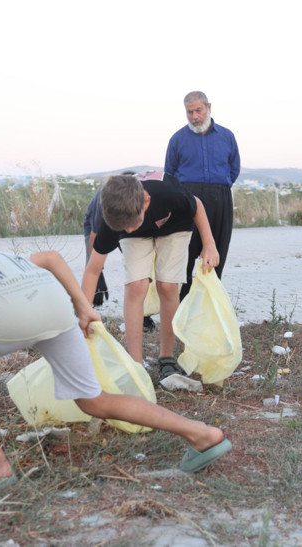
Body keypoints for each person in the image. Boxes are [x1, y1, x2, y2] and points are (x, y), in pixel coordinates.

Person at [0, 247, 232, 483]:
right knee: (94, 400)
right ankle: (201, 434)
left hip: (13, 308)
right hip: (53, 299)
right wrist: (84, 307)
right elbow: (52, 258)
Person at [81, 174, 219, 388]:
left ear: (146, 201)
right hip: (136, 222)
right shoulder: (116, 218)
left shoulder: (168, 195)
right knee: (136, 286)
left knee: (168, 286)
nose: (127, 230)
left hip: (175, 225)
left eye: (129, 225)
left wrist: (209, 243)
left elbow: (197, 204)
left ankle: (166, 358)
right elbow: (92, 269)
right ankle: (135, 362)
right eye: (122, 228)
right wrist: (83, 312)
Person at [165, 90, 240, 301]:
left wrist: (218, 190)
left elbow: (233, 169)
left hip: (220, 199)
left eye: (198, 110)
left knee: (217, 252)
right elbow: (169, 174)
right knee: (185, 256)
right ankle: (183, 308)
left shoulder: (227, 136)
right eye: (190, 112)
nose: (195, 117)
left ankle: (209, 306)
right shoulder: (177, 139)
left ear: (209, 107)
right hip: (187, 201)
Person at [83, 181, 156, 332]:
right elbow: (94, 239)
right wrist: (99, 274)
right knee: (93, 269)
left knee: (138, 270)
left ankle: (143, 315)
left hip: (132, 216)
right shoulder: (106, 207)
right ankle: (84, 314)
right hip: (100, 226)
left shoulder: (137, 199)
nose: (128, 230)